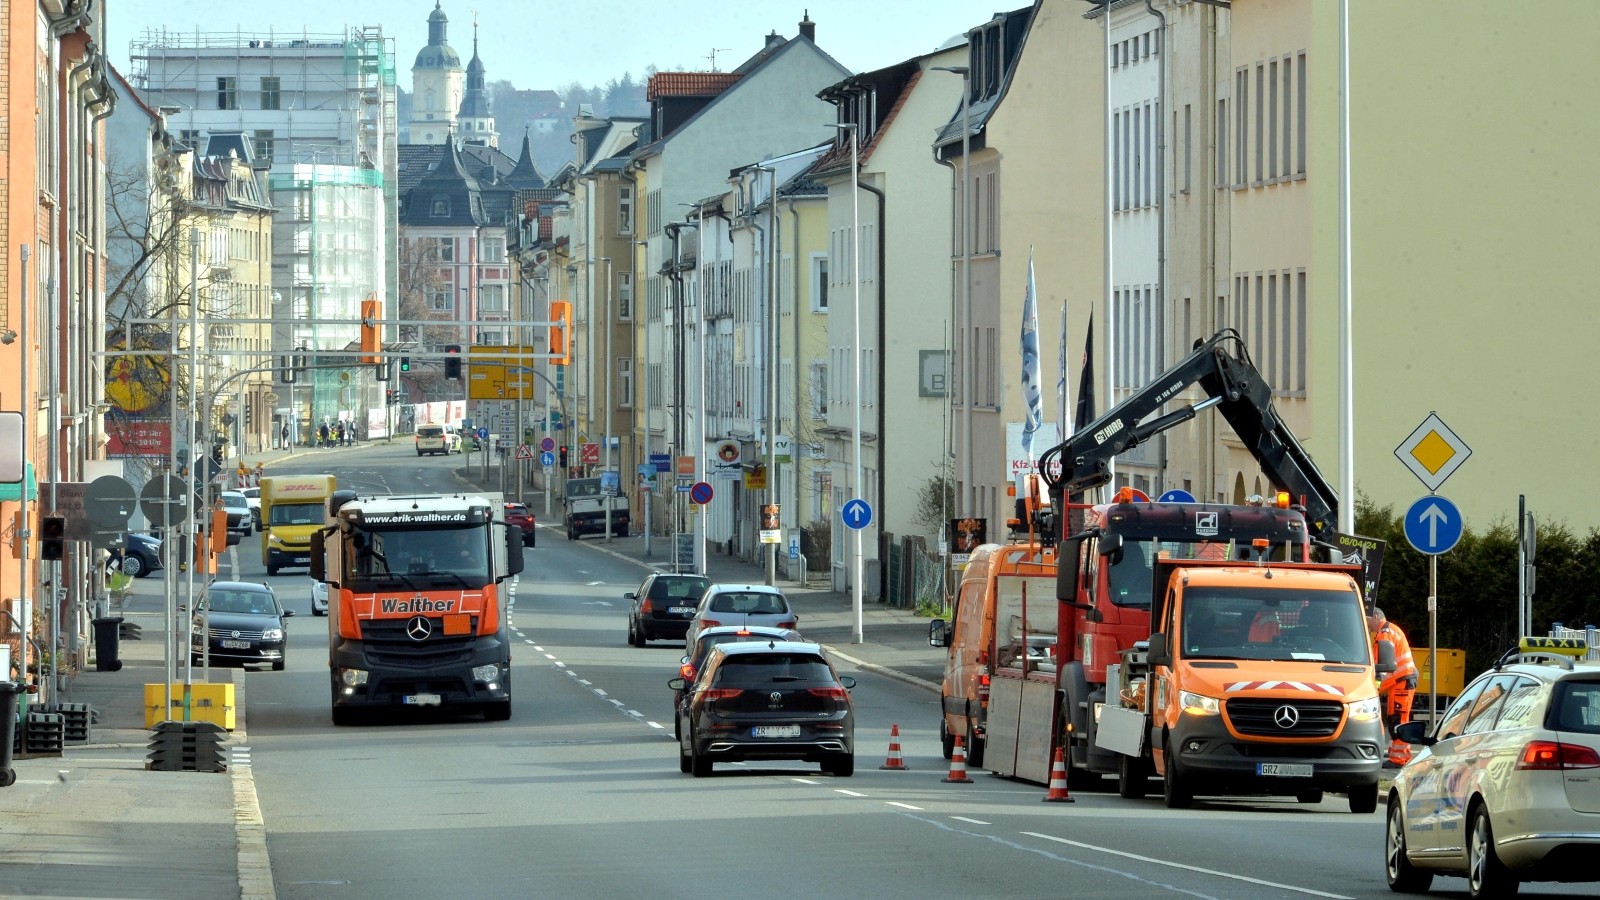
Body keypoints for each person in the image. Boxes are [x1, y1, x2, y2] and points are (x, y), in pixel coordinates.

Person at [1369, 607, 1418, 766]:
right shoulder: (1389, 631)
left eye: (1368, 619)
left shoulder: (1385, 634)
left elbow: (1382, 668)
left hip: (1401, 682)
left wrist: (1373, 689)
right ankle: (1396, 755)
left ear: (1376, 617)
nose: (1367, 623)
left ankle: (1399, 759)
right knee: (1395, 718)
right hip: (1399, 682)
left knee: (1398, 719)